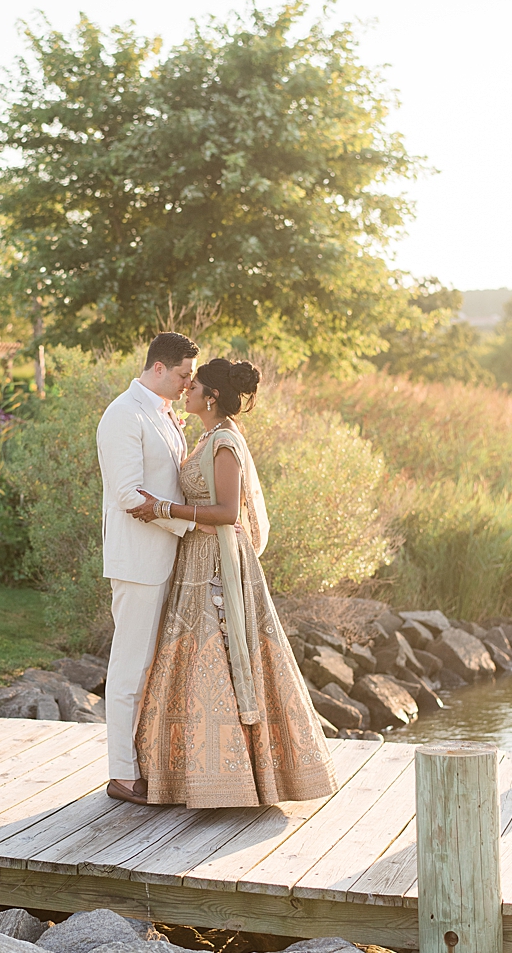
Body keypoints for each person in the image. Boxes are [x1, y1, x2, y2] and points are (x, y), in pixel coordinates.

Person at [125, 357, 338, 808]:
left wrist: (163, 509)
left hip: (219, 561)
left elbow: (227, 513)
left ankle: (238, 779)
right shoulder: (206, 436)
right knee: (193, 657)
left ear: (213, 396)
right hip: (197, 557)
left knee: (218, 654)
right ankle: (190, 776)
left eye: (194, 384)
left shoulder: (223, 441)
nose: (187, 389)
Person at [97, 332, 200, 805]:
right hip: (139, 560)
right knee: (129, 668)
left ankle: (148, 760)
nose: (188, 383)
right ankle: (121, 774)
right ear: (158, 368)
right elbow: (127, 494)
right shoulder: (123, 414)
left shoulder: (160, 411)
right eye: (183, 374)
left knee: (153, 668)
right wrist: (191, 526)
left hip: (164, 558)